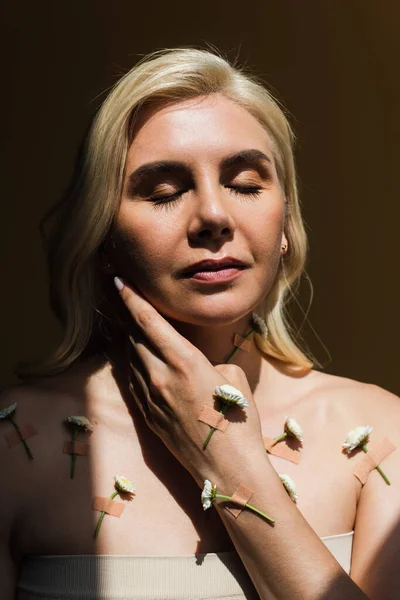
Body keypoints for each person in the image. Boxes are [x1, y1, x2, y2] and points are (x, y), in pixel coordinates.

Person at [1, 46, 399, 600]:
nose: (213, 216)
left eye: (244, 184)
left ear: (285, 222)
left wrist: (232, 467)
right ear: (104, 238)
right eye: (164, 192)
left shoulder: (383, 437)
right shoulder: (17, 448)